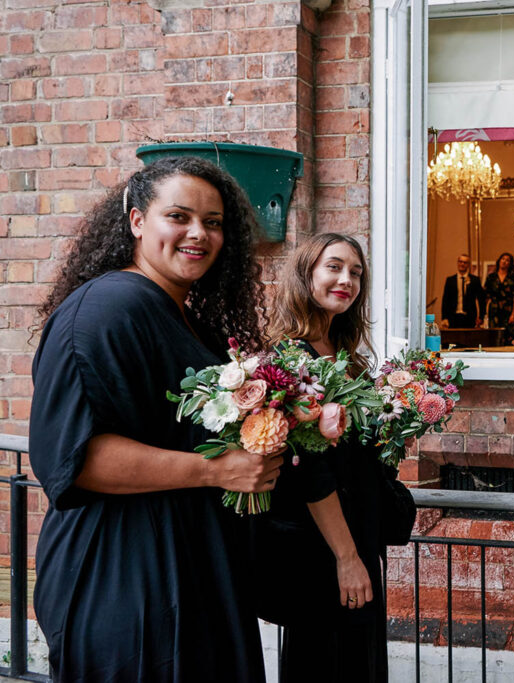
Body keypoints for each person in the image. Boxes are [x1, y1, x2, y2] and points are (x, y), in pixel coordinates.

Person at [29, 156, 279, 681]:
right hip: (124, 576)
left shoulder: (180, 312)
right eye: (179, 216)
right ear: (138, 221)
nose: (198, 234)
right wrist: (217, 470)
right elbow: (75, 458)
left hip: (190, 569)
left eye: (213, 222)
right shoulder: (108, 307)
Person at [253, 233, 415, 682]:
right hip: (323, 547)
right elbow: (311, 472)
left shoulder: (347, 359)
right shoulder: (291, 359)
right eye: (334, 267)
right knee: (325, 663)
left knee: (359, 661)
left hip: (359, 532)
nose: (347, 279)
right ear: (306, 275)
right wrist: (346, 558)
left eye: (356, 272)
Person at [441, 253, 485, 329]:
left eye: (465, 262)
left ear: (468, 265)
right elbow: (445, 300)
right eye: (460, 261)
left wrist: (481, 317)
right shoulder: (450, 280)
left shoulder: (475, 280)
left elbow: (481, 299)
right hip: (453, 317)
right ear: (457, 263)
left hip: (470, 317)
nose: (462, 264)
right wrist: (444, 318)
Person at [484, 251, 514, 335]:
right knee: (493, 335)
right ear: (499, 261)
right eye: (503, 259)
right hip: (494, 310)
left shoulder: (513, 278)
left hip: (507, 310)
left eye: (507, 260)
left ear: (510, 264)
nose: (504, 262)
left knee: (508, 334)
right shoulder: (491, 277)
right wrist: (484, 314)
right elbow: (486, 296)